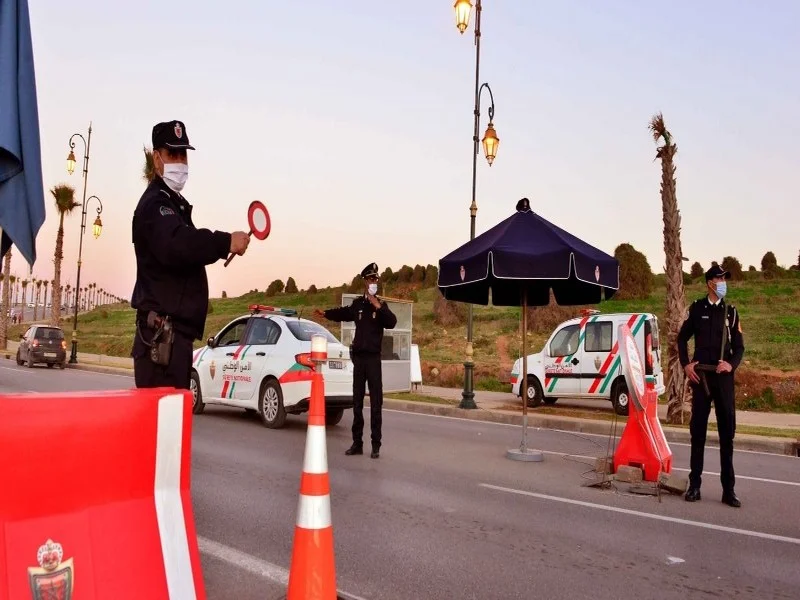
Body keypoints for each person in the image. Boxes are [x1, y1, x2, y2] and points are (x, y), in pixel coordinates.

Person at [131, 119, 250, 389]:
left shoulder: (174, 206)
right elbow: (179, 245)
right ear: (156, 158)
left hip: (173, 341)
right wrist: (224, 242)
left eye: (183, 154)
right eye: (173, 153)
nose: (180, 161)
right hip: (160, 342)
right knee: (162, 428)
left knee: (172, 428)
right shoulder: (155, 204)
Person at [678, 263, 745, 508]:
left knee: (727, 435)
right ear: (709, 283)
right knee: (698, 433)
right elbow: (681, 338)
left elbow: (739, 348)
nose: (723, 281)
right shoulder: (697, 309)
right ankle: (694, 485)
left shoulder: (732, 312)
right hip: (702, 379)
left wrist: (731, 365)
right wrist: (686, 365)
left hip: (723, 380)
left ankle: (729, 490)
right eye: (719, 278)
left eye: (724, 278)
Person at [315, 263, 397, 458]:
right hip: (359, 359)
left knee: (376, 403)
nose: (373, 282)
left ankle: (376, 445)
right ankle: (357, 443)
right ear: (364, 282)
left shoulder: (382, 306)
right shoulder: (358, 305)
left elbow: (392, 322)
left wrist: (378, 306)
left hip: (373, 360)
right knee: (357, 403)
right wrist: (325, 313)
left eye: (375, 279)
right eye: (370, 279)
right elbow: (343, 313)